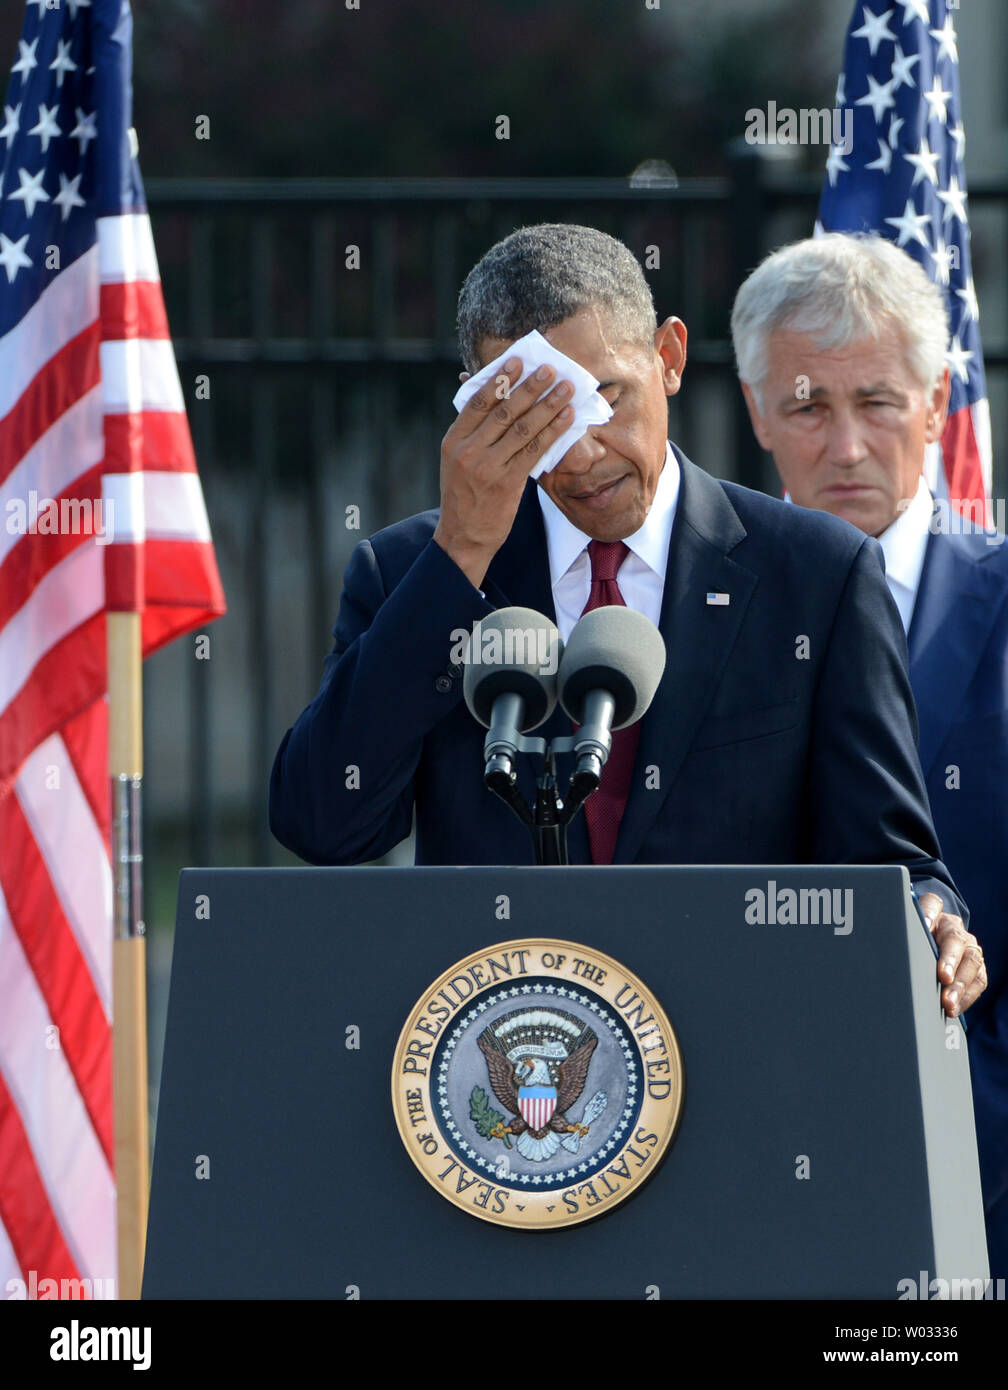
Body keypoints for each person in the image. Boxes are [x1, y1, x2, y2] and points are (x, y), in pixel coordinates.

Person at [269, 222, 985, 1030]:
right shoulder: (412, 575)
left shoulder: (816, 575)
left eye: (606, 397)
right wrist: (460, 554)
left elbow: (890, 859)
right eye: (533, 418)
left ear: (669, 358)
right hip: (508, 1087)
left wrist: (929, 913)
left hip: (745, 1064)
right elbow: (325, 823)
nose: (581, 453)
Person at [730, 230, 1005, 1277]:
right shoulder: (672, 619)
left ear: (937, 405)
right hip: (735, 1164)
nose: (844, 446)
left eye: (878, 403)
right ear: (760, 413)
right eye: (807, 405)